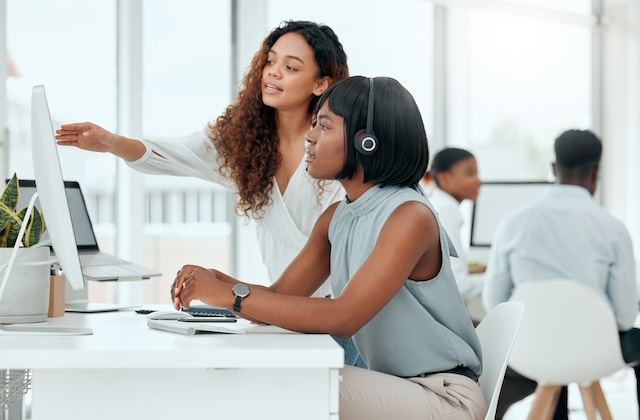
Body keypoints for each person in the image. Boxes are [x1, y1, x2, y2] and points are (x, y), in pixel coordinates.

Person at [169, 76, 487, 420]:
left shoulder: (409, 216)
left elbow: (344, 316)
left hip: (443, 398)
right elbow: (282, 294)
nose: (309, 136)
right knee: (279, 377)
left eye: (324, 125)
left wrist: (230, 296)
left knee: (289, 382)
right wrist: (217, 282)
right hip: (393, 388)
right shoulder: (338, 216)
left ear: (366, 142)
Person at [54, 20, 365, 367]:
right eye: (270, 61)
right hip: (284, 316)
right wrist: (112, 142)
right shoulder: (243, 145)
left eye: (290, 67)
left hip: (339, 320)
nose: (273, 73)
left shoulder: (336, 152)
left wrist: (228, 290)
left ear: (321, 82)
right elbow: (172, 153)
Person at [482, 129, 640, 420]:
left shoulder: (513, 223)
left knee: (550, 350)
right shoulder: (613, 229)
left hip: (532, 353)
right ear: (596, 173)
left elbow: (494, 304)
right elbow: (624, 316)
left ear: (554, 169)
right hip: (596, 352)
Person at [422, 148, 484, 301]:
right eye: (470, 174)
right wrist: (500, 278)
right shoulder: (446, 209)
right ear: (443, 179)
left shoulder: (437, 203)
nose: (478, 180)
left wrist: (470, 271)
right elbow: (457, 285)